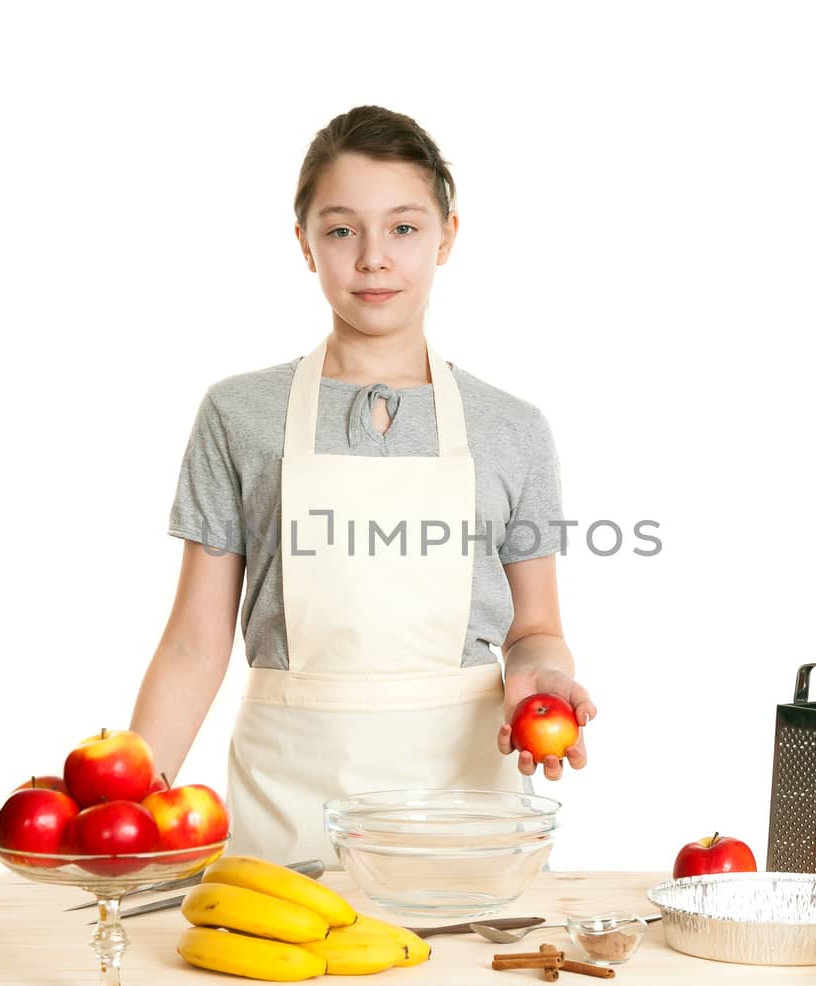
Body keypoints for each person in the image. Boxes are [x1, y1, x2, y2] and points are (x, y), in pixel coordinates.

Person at [129, 105, 596, 866]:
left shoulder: (513, 428)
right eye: (342, 229)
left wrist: (543, 678)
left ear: (448, 235)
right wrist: (130, 804)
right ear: (305, 245)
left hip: (465, 811)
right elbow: (194, 640)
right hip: (289, 803)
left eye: (404, 228)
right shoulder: (238, 414)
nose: (374, 258)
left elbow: (534, 627)